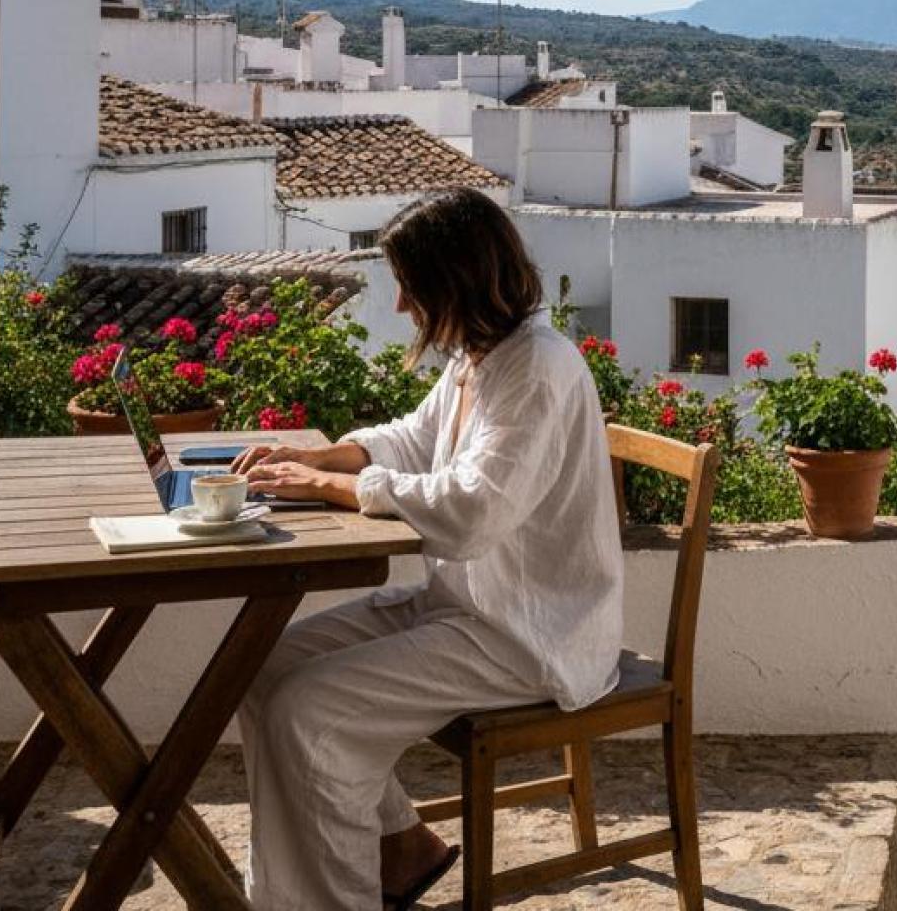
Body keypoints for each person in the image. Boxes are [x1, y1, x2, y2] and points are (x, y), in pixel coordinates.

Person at [230, 187, 624, 911]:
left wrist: (334, 489)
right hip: (466, 606)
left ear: (457, 278)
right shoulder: (481, 357)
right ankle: (401, 848)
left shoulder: (535, 368)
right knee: (260, 667)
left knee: (307, 715)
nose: (402, 308)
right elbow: (415, 438)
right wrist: (320, 457)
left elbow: (473, 513)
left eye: (411, 288)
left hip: (529, 633)